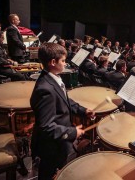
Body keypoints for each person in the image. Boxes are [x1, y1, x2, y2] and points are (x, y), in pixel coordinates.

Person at [30, 43, 95, 180]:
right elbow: (46, 127)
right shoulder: (45, 89)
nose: (65, 64)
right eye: (63, 61)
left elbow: (66, 101)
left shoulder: (53, 77)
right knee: (49, 173)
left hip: (58, 140)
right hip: (51, 145)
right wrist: (72, 132)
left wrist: (83, 111)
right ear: (53, 62)